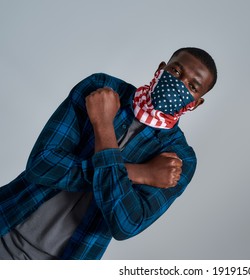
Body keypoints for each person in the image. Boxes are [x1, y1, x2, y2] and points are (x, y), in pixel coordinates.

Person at [0, 47, 217, 260]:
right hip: (7, 220)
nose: (177, 84)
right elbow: (42, 165)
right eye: (176, 72)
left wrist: (102, 126)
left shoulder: (178, 158)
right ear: (161, 68)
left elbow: (126, 224)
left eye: (191, 86)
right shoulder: (101, 89)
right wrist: (137, 172)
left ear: (196, 103)